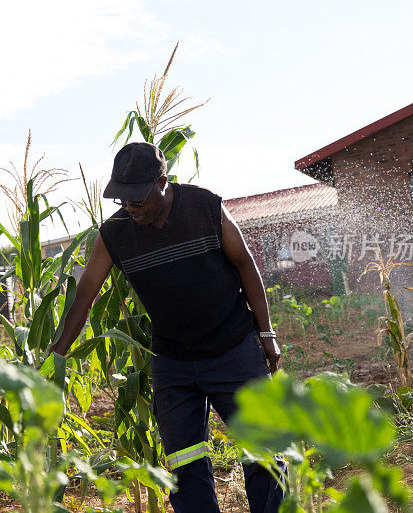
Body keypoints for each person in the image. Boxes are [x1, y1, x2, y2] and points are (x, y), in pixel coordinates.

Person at [50, 142, 285, 512]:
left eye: (137, 200)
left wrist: (267, 333)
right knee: (183, 465)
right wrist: (56, 356)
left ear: (162, 182)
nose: (129, 208)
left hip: (234, 349)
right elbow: (84, 296)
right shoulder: (115, 234)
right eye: (121, 200)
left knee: (264, 454)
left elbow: (245, 265)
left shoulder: (205, 207)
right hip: (173, 362)